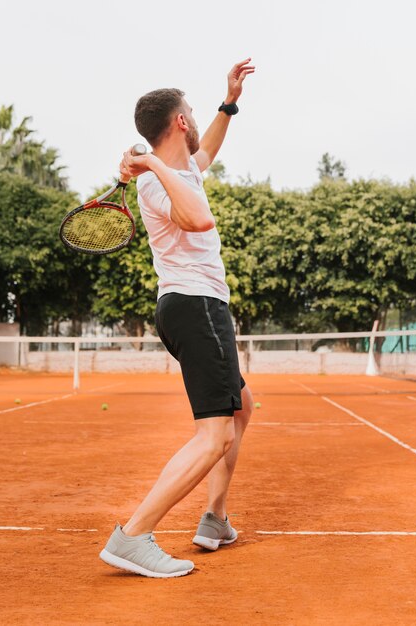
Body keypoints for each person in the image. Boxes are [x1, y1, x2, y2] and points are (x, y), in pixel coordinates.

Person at [100, 59, 256, 578]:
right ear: (178, 123)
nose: (195, 118)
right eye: (191, 110)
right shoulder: (156, 183)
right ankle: (134, 534)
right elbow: (199, 217)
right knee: (215, 435)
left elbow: (206, 151)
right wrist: (152, 166)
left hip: (196, 306)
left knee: (241, 407)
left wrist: (228, 102)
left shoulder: (181, 167)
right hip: (196, 306)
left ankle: (214, 517)